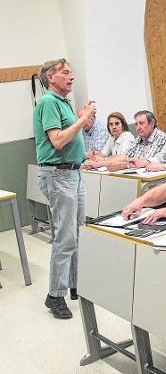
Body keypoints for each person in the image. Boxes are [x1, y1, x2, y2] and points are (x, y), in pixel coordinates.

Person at [34, 58, 96, 319]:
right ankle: (54, 295)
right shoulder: (48, 102)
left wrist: (82, 119)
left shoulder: (64, 103)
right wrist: (82, 119)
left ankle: (75, 285)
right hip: (59, 175)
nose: (72, 77)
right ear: (51, 77)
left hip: (73, 173)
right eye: (66, 73)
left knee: (78, 233)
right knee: (66, 236)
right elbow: (58, 141)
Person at [84, 110, 166, 171]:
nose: (138, 127)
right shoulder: (140, 138)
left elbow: (146, 161)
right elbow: (124, 157)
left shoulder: (160, 137)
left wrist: (123, 164)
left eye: (141, 123)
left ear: (152, 123)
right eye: (136, 124)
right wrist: (95, 163)